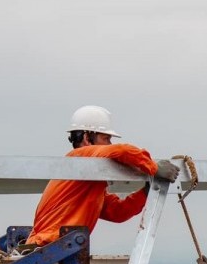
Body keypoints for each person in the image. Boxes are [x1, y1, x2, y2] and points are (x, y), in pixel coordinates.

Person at [24, 105, 179, 248]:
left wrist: (146, 190)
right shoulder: (79, 156)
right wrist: (154, 167)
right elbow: (122, 151)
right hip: (48, 245)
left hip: (52, 247)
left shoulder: (86, 183)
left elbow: (117, 212)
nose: (109, 144)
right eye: (106, 139)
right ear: (86, 138)